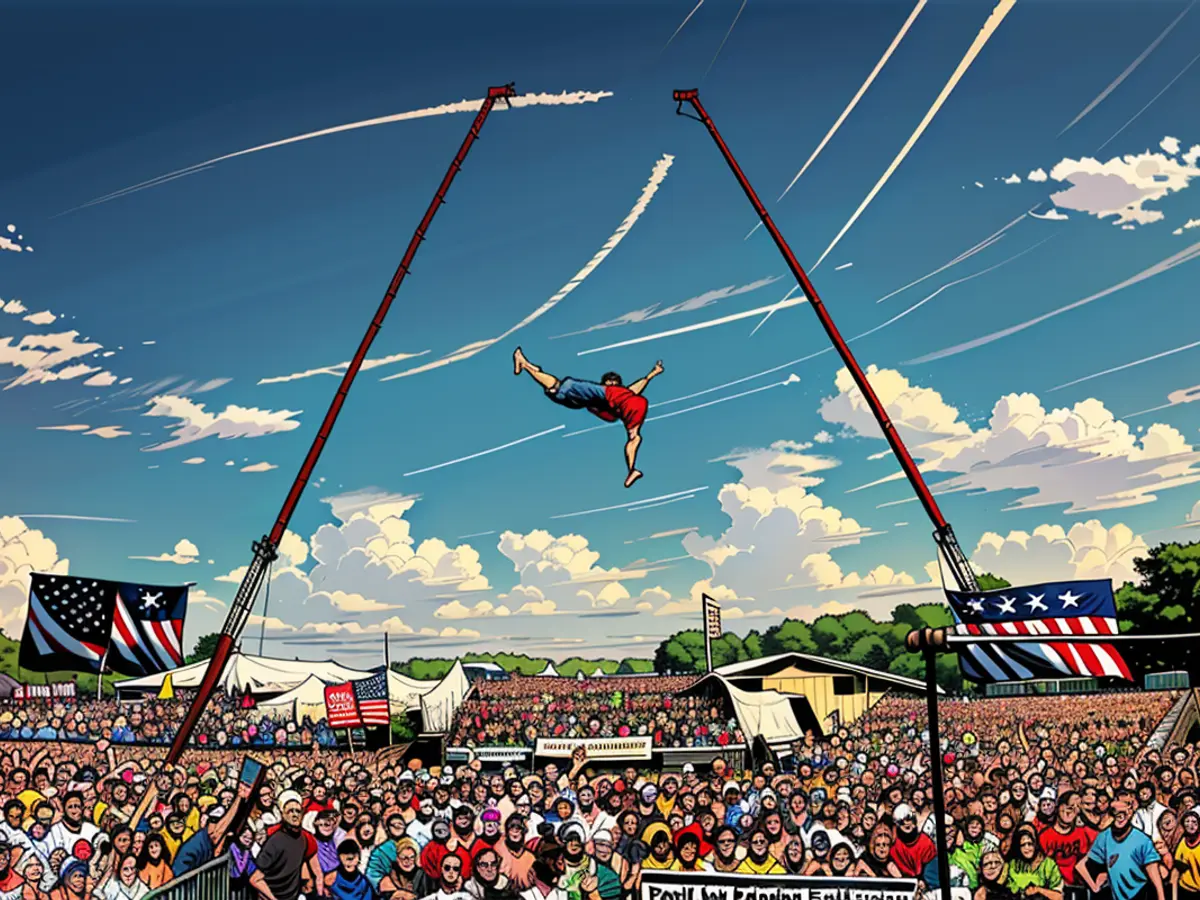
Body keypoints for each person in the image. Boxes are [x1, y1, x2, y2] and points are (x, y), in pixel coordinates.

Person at [512, 348, 663, 488]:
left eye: (613, 382)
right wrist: (653, 373)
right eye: (609, 382)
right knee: (634, 437)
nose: (610, 383)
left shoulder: (616, 392)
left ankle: (526, 364)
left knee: (565, 385)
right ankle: (632, 470)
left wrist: (652, 374)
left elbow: (636, 387)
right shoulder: (612, 400)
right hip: (630, 407)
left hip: (621, 403)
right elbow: (636, 390)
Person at [1076, 792, 1165, 900]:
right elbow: (1082, 865)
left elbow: (1153, 871)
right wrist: (1095, 884)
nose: (1120, 817)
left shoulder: (1142, 840)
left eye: (1124, 813)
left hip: (1140, 893)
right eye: (1116, 813)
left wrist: (1161, 897)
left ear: (1130, 813)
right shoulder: (1104, 836)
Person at [251, 791, 309, 900]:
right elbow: (255, 878)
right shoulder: (275, 841)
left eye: (298, 811)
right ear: (283, 814)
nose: (295, 814)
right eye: (290, 811)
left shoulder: (302, 839)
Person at [1005, 824, 1063, 900]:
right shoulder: (1011, 865)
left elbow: (1058, 897)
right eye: (1023, 844)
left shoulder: (1049, 864)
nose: (1027, 848)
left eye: (1029, 843)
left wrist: (1038, 890)